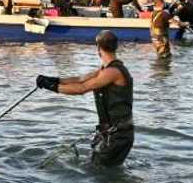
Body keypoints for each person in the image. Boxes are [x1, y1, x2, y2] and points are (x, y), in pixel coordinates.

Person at [35, 30, 134, 167]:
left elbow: (81, 89)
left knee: (98, 171)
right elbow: (80, 79)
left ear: (98, 48)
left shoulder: (112, 72)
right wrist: (54, 80)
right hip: (109, 133)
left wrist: (51, 87)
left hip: (118, 136)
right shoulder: (105, 70)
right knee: (95, 168)